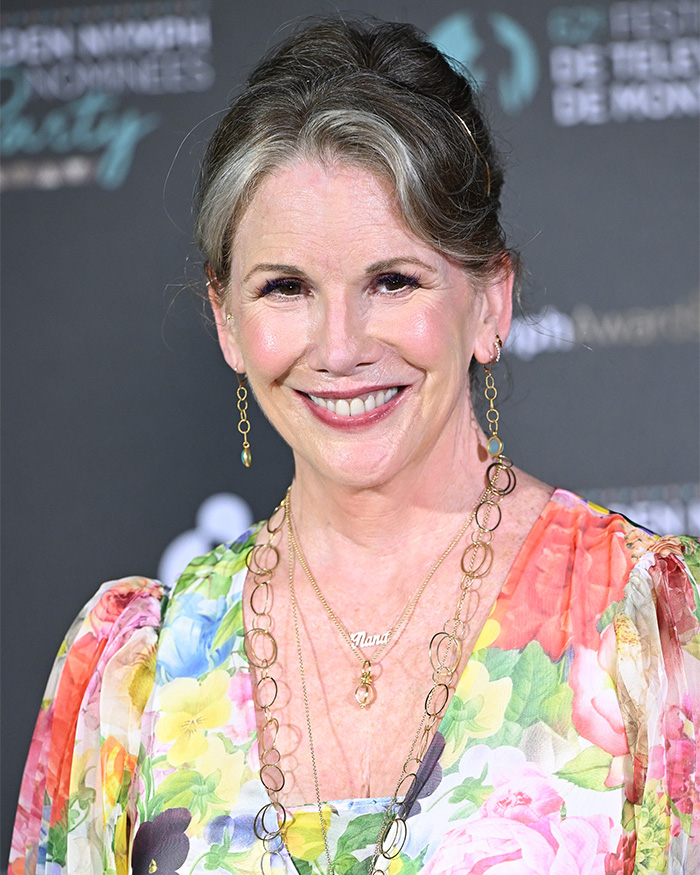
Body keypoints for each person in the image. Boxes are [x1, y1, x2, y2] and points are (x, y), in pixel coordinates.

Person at [9, 16, 700, 875]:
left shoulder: (654, 629)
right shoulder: (135, 670)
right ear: (227, 319)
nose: (339, 347)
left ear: (491, 302)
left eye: (393, 280)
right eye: (287, 287)